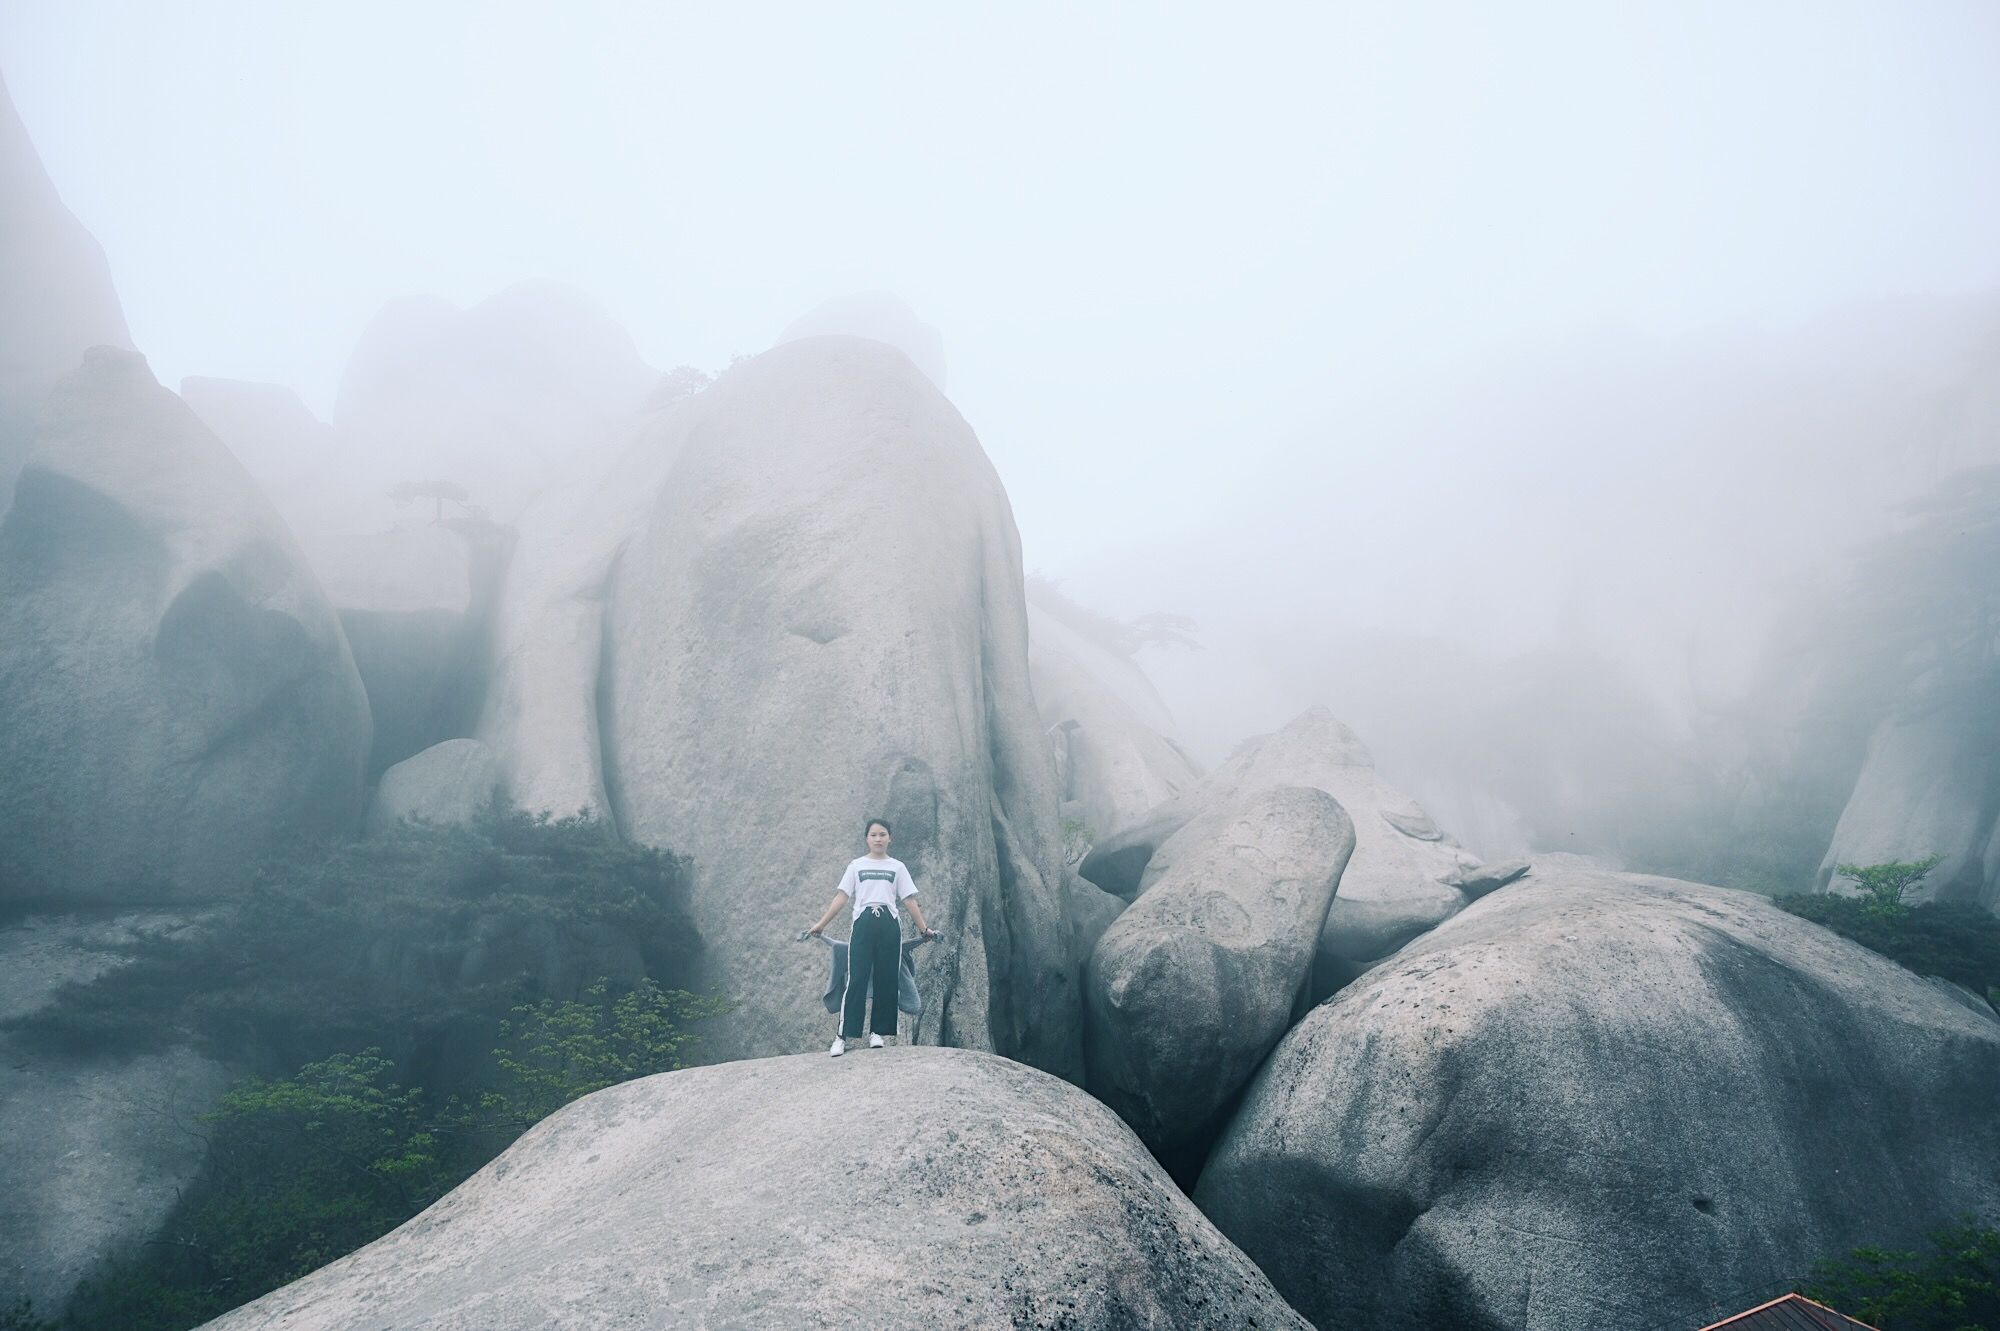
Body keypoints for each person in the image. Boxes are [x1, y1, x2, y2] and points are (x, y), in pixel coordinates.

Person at [807, 818, 937, 1057]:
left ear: (890, 838)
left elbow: (908, 900)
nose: (878, 839)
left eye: (883, 834)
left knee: (887, 979)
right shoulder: (856, 866)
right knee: (856, 979)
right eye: (874, 835)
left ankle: (877, 1032)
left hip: (889, 924)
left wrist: (923, 929)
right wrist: (821, 924)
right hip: (863, 924)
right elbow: (841, 897)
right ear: (867, 838)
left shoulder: (897, 867)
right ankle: (841, 1036)